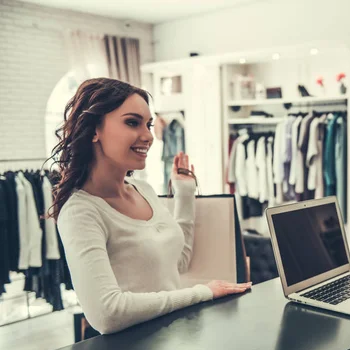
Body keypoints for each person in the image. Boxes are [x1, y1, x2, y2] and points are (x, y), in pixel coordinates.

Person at [50, 78, 251, 335]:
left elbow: (178, 262)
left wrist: (185, 194)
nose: (148, 136)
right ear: (93, 130)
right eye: (132, 122)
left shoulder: (142, 189)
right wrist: (202, 293)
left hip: (170, 341)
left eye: (149, 124)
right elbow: (107, 313)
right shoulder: (81, 212)